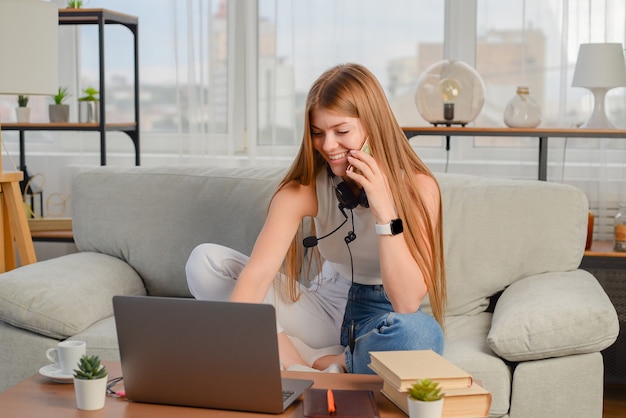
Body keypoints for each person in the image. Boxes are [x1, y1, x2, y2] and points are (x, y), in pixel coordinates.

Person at [185, 63, 446, 374]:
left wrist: (383, 206)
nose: (328, 145)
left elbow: (406, 303)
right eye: (318, 133)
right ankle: (298, 360)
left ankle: (334, 362)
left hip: (382, 316)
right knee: (205, 261)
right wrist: (244, 347)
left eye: (342, 131)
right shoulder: (304, 188)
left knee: (419, 335)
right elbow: (256, 277)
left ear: (373, 126)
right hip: (325, 307)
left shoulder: (419, 187)